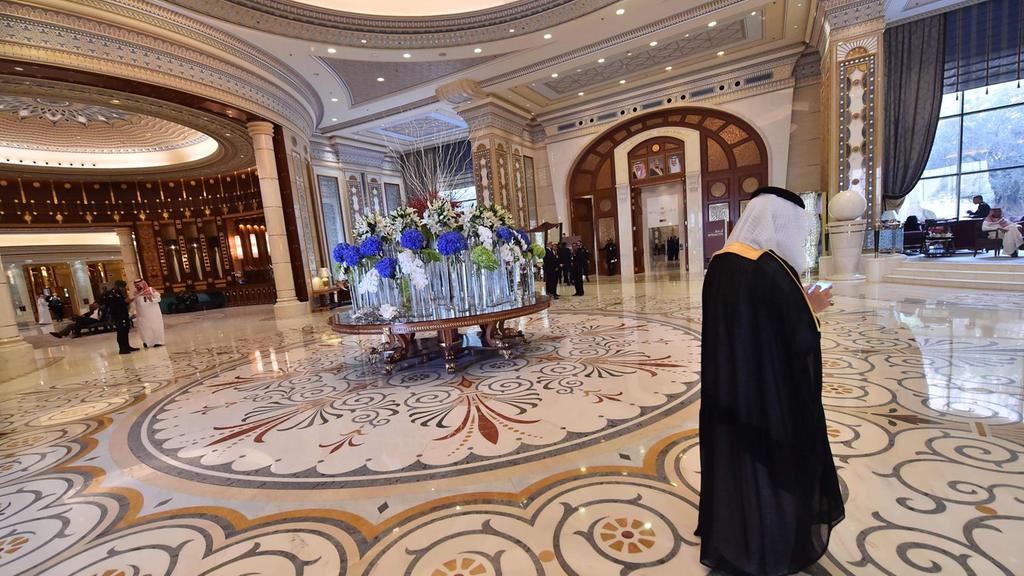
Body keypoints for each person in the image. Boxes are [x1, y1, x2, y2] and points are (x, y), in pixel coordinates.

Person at [699, 186, 844, 576]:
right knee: (769, 463)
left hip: (731, 389)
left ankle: (734, 530)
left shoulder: (722, 262)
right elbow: (798, 336)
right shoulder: (767, 268)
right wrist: (811, 307)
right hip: (766, 393)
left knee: (737, 461)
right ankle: (768, 538)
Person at [102, 280, 138, 354]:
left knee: (126, 330)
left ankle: (127, 346)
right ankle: (122, 348)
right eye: (121, 287)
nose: (123, 289)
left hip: (124, 314)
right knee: (121, 331)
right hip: (117, 316)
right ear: (116, 286)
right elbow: (112, 305)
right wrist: (124, 302)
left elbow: (122, 303)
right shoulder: (110, 294)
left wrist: (127, 302)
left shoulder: (119, 293)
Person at [132, 278, 165, 347]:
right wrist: (134, 312)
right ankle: (147, 342)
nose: (137, 287)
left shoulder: (150, 290)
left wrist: (152, 300)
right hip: (141, 314)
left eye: (138, 285)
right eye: (136, 285)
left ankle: (158, 341)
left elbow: (159, 299)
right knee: (144, 328)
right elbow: (134, 303)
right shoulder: (135, 293)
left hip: (153, 313)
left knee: (155, 326)